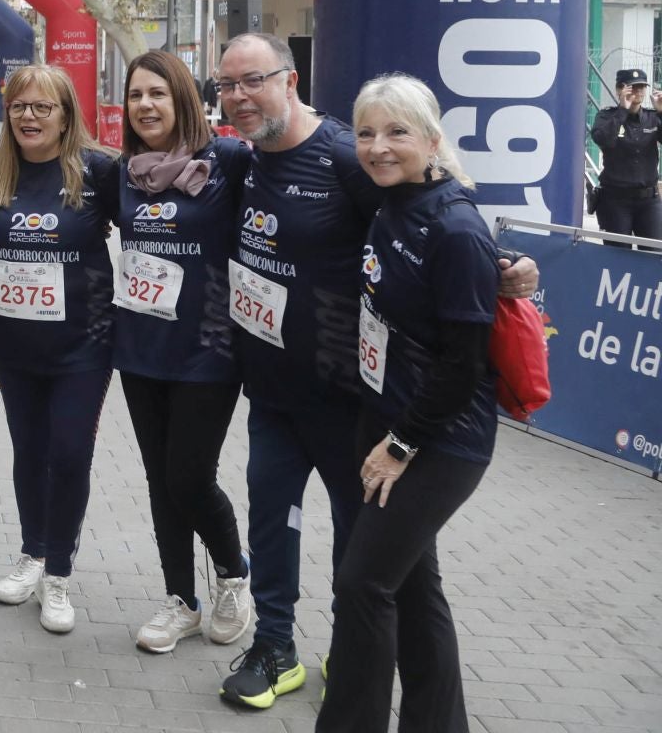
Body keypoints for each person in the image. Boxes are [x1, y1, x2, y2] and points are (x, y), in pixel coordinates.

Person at [214, 36, 539, 710]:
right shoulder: (236, 160)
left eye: (253, 81)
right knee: (295, 532)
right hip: (279, 392)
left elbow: (446, 232)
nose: (239, 97)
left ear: (290, 79)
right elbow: (419, 213)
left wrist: (508, 267)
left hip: (361, 407)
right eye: (227, 85)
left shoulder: (347, 160)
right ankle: (276, 647)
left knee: (367, 574)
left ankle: (353, 654)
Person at [317, 75, 499, 733]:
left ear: (432, 140)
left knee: (362, 585)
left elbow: (463, 366)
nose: (378, 146)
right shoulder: (393, 202)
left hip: (439, 439)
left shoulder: (455, 227)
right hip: (389, 423)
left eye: (396, 132)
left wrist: (399, 446)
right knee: (414, 590)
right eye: (366, 132)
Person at [113, 49, 254, 654]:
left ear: (185, 100)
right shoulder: (119, 170)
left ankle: (232, 573)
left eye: (158, 94)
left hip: (209, 349)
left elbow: (310, 182)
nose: (146, 105)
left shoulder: (227, 161)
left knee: (188, 475)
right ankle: (179, 601)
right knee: (157, 478)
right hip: (141, 347)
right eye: (137, 94)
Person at [0, 64, 119, 635]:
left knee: (67, 454)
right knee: (27, 451)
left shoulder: (99, 171)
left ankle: (58, 571)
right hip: (15, 346)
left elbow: (147, 236)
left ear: (66, 116)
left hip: (82, 346)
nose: (29, 117)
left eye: (43, 107)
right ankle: (31, 553)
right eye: (19, 107)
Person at [590, 68, 661, 239]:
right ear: (619, 89)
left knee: (653, 255)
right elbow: (604, 140)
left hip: (648, 201)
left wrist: (661, 112)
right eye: (632, 87)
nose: (638, 91)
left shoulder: (653, 118)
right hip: (615, 200)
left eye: (642, 87)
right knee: (618, 255)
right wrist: (622, 110)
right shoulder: (606, 117)